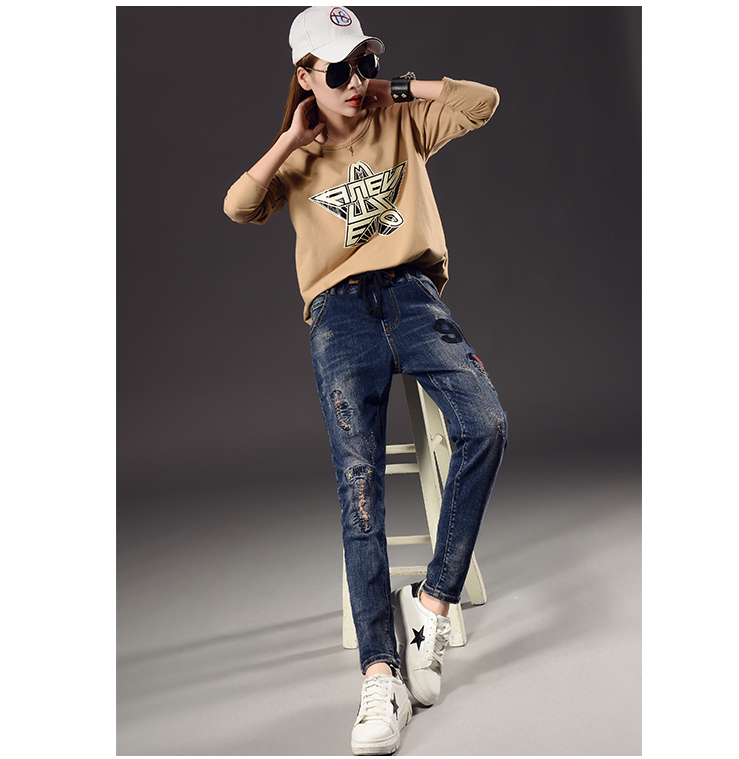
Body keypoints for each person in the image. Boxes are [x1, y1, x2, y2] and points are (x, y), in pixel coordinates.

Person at [224, 6, 508, 755]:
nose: (356, 80)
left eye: (365, 63)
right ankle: (380, 675)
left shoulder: (398, 120)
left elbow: (483, 102)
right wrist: (291, 139)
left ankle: (430, 606)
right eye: (340, 69)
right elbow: (239, 205)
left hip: (413, 296)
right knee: (359, 483)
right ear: (305, 76)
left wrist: (401, 88)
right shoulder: (298, 159)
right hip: (340, 313)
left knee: (485, 423)